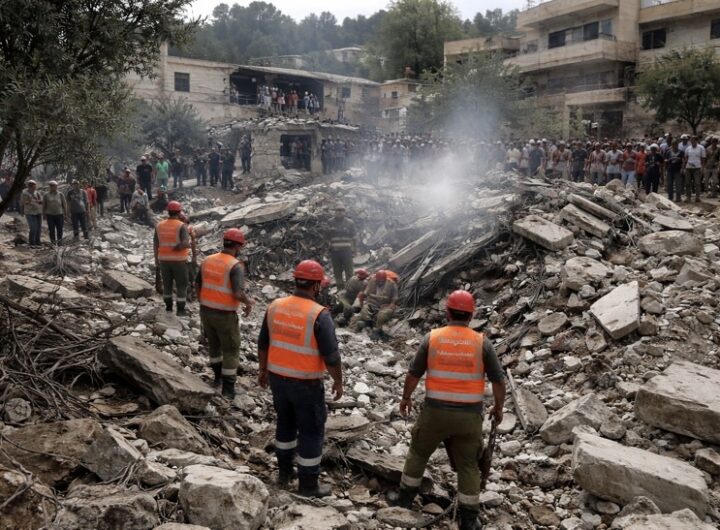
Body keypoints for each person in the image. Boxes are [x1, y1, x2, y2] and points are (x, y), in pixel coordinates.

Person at [390, 290, 506, 530]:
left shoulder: (432, 338)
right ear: (471, 315)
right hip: (469, 417)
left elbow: (413, 373)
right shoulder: (482, 342)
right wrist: (498, 407)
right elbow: (498, 380)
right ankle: (468, 519)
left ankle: (404, 502)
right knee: (468, 465)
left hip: (435, 413)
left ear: (447, 313)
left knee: (418, 453)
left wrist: (406, 398)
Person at [257, 260, 343, 497]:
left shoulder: (275, 306)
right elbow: (331, 357)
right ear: (316, 285)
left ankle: (284, 473)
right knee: (311, 431)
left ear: (296, 281)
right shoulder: (319, 314)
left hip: (277, 379)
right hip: (306, 384)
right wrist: (338, 381)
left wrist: (263, 370)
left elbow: (263, 343)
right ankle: (308, 485)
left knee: (285, 423)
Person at [196, 228, 254, 397]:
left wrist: (203, 303)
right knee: (230, 350)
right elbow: (237, 293)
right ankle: (228, 390)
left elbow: (197, 284)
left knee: (214, 346)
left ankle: (217, 379)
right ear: (238, 246)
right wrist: (248, 302)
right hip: (225, 315)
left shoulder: (207, 260)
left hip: (206, 311)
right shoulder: (235, 266)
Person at [154, 201, 191, 316]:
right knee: (181, 285)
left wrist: (156, 259)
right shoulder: (181, 226)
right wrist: (179, 247)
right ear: (179, 212)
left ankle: (169, 308)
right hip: (179, 261)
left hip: (164, 260)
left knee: (167, 285)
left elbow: (156, 243)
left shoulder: (159, 225)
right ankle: (180, 310)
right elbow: (185, 243)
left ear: (168, 212)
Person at [352, 270, 398, 337]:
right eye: (378, 281)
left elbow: (395, 298)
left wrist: (391, 304)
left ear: (385, 279)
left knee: (382, 315)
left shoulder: (392, 284)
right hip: (372, 303)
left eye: (382, 281)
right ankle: (368, 324)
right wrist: (362, 298)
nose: (380, 283)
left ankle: (378, 328)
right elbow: (366, 293)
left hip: (385, 305)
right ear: (376, 279)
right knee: (364, 310)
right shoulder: (372, 281)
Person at [327, 205, 356, 289]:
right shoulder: (330, 222)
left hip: (347, 251)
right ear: (335, 212)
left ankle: (349, 288)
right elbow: (327, 236)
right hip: (335, 251)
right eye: (338, 210)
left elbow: (354, 237)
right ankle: (340, 288)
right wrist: (328, 247)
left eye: (342, 210)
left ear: (344, 212)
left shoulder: (350, 223)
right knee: (337, 272)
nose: (339, 212)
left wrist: (354, 249)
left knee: (349, 271)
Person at [42, 180, 66, 245]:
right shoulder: (46, 195)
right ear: (50, 187)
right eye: (52, 186)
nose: (54, 187)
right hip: (50, 215)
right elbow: (44, 205)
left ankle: (59, 242)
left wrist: (65, 214)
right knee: (51, 229)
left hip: (59, 214)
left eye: (55, 186)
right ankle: (53, 243)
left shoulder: (60, 194)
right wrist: (43, 214)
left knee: (60, 229)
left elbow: (64, 204)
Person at [683, 136, 705, 202]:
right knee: (687, 183)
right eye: (691, 140)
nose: (692, 142)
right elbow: (685, 158)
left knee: (697, 183)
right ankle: (688, 197)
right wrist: (684, 167)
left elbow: (703, 158)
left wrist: (702, 168)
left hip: (697, 167)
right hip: (688, 167)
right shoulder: (688, 148)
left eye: (693, 140)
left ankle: (697, 197)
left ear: (696, 141)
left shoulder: (701, 148)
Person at [21, 180, 43, 246]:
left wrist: (39, 201)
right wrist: (29, 200)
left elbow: (41, 201)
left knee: (38, 228)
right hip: (29, 212)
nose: (33, 188)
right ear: (29, 186)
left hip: (38, 211)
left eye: (34, 186)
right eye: (32, 186)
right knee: (33, 228)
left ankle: (37, 241)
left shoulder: (37, 192)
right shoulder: (24, 193)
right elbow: (23, 202)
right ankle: (32, 242)